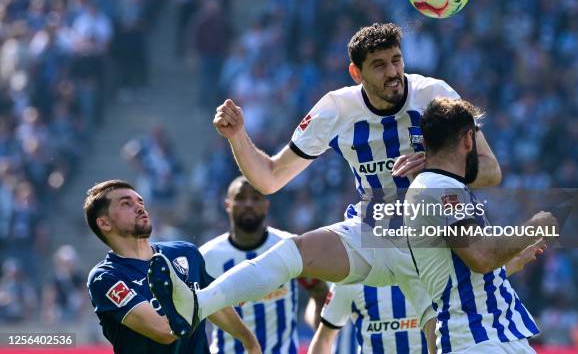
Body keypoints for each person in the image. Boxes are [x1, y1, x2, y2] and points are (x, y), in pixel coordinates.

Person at [147, 22, 502, 346]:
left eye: (396, 60)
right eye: (379, 65)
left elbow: (490, 171)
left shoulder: (434, 95)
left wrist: (436, 166)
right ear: (356, 72)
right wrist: (238, 136)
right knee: (297, 251)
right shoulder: (336, 109)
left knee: (445, 342)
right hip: (373, 233)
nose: (393, 73)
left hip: (434, 241)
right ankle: (194, 305)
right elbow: (270, 178)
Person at [405, 97, 558, 353]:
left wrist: (511, 261)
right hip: (474, 340)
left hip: (496, 336)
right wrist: (535, 226)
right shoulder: (436, 188)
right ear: (468, 139)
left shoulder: (444, 187)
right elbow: (482, 256)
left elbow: (465, 276)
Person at [84, 180, 261, 354]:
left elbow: (217, 306)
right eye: (126, 204)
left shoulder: (185, 252)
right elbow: (164, 332)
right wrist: (215, 294)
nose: (139, 207)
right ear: (104, 223)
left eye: (140, 202)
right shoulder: (105, 278)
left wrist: (250, 342)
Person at [308, 246, 545, 354]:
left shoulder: (429, 275)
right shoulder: (354, 282)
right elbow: (324, 337)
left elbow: (471, 283)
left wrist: (514, 263)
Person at [200, 176, 328, 353]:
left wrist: (322, 340)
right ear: (227, 205)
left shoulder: (290, 246)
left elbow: (321, 293)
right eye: (240, 197)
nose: (248, 204)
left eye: (256, 198)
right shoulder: (206, 257)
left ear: (266, 205)